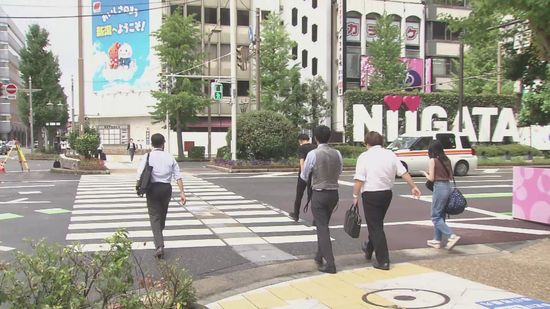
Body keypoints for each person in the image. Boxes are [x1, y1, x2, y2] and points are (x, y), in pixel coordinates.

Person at [351, 131, 421, 271]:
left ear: (367, 143)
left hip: (370, 194)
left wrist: (355, 196)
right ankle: (369, 248)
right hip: (386, 194)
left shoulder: (364, 156)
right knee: (376, 223)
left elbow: (359, 178)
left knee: (375, 226)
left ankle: (383, 260)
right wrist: (413, 186)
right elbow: (403, 172)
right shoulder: (390, 154)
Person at [136, 133, 186, 259]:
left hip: (152, 188)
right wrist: (182, 192)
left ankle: (159, 245)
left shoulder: (147, 156)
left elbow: (140, 173)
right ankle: (159, 239)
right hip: (166, 189)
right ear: (163, 143)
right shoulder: (170, 157)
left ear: (152, 144)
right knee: (162, 215)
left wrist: (138, 185)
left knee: (154, 217)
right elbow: (178, 176)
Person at [301, 125, 342, 274]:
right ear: (329, 137)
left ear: (315, 138)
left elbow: (304, 175)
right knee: (323, 224)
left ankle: (330, 263)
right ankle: (319, 255)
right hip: (334, 193)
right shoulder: (337, 153)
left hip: (319, 192)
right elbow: (340, 170)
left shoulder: (313, 154)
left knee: (322, 227)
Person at [421, 140, 461, 250]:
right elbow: (451, 176)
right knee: (441, 215)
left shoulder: (432, 160)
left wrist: (425, 174)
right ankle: (436, 240)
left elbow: (431, 178)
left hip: (439, 187)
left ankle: (451, 236)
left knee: (435, 216)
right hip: (448, 186)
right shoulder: (447, 159)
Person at [289, 133, 316, 222]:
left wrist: (303, 173)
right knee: (312, 196)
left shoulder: (301, 148)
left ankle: (296, 214)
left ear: (300, 140)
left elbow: (302, 161)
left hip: (303, 174)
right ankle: (316, 218)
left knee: (299, 195)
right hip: (313, 174)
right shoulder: (315, 147)